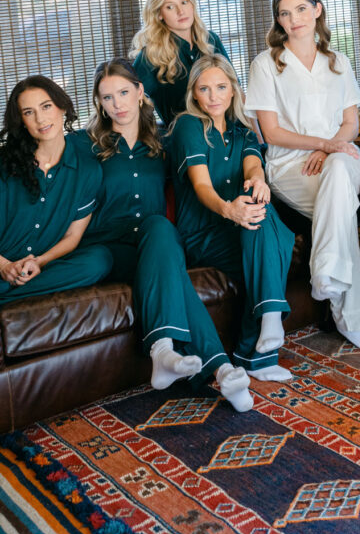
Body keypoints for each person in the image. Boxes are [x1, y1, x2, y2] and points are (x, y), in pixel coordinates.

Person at [74, 58, 253, 411]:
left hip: (159, 243)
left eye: (124, 92)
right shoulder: (85, 145)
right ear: (99, 102)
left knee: (160, 228)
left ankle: (171, 355)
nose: (118, 104)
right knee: (170, 264)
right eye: (107, 97)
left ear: (140, 92)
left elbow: (203, 173)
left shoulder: (164, 142)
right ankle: (219, 366)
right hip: (112, 248)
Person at [245, 0, 360, 351]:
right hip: (291, 169)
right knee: (337, 205)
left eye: (301, 10)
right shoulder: (265, 65)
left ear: (317, 9)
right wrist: (323, 145)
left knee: (339, 173)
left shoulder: (337, 60)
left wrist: (329, 149)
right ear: (278, 21)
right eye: (285, 14)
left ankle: (326, 270)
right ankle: (350, 318)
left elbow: (351, 123)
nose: (294, 20)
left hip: (341, 158)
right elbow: (271, 132)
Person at [169, 54, 294, 382]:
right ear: (194, 93)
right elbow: (201, 185)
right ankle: (260, 348)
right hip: (204, 230)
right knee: (272, 242)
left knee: (260, 215)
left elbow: (253, 165)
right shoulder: (189, 126)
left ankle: (265, 331)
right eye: (204, 88)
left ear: (233, 90)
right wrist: (229, 209)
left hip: (239, 223)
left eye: (221, 87)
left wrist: (258, 181)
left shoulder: (243, 130)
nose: (213, 96)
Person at [0, 76, 111, 303]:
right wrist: (4, 266)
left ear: (62, 107)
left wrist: (39, 262)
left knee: (99, 261)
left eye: (46, 106)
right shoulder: (4, 164)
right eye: (28, 112)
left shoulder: (87, 169)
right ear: (22, 121)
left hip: (41, 268)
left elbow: (73, 236)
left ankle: (8, 295)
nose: (40, 119)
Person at [130, 0, 232, 127]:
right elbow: (128, 100)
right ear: (159, 14)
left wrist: (255, 134)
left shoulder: (211, 40)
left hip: (231, 133)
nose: (181, 11)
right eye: (170, 7)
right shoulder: (151, 56)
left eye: (184, 2)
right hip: (187, 141)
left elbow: (235, 90)